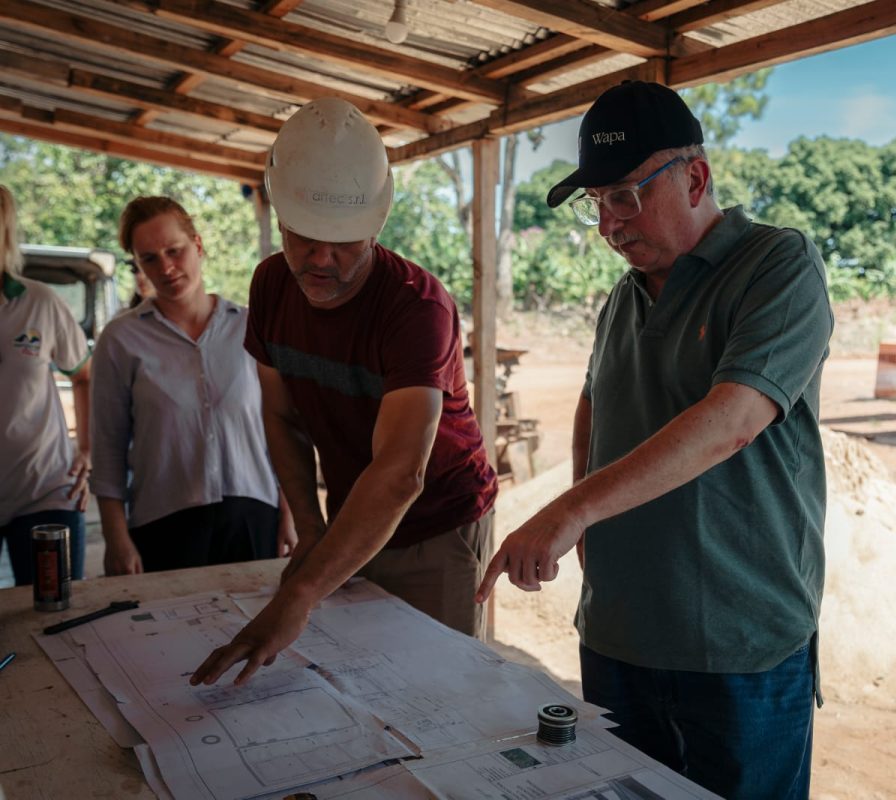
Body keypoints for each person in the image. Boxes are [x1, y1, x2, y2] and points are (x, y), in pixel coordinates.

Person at [475, 81, 834, 799]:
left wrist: (570, 511)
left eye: (625, 197)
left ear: (695, 177)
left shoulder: (775, 268)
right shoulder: (623, 295)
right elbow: (594, 405)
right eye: (598, 203)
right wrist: (588, 522)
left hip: (739, 644)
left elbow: (731, 422)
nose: (609, 223)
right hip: (618, 630)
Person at [191, 97, 497, 687]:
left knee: (438, 690)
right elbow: (280, 418)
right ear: (279, 216)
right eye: (304, 236)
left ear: (377, 224)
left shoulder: (417, 308)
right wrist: (311, 528)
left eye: (345, 241)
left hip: (438, 522)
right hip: (347, 519)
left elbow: (401, 474)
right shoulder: (272, 285)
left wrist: (303, 591)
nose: (321, 259)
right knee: (356, 686)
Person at [90, 196, 294, 574]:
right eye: (149, 258)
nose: (166, 267)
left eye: (174, 250)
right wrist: (116, 537)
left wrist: (291, 512)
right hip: (164, 525)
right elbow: (108, 447)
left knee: (259, 629)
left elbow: (281, 427)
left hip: (253, 516)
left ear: (198, 246)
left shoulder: (251, 327)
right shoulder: (121, 340)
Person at [0, 184, 91, 584]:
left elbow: (84, 376)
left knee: (53, 617)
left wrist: (87, 451)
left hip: (45, 488)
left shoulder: (40, 302)